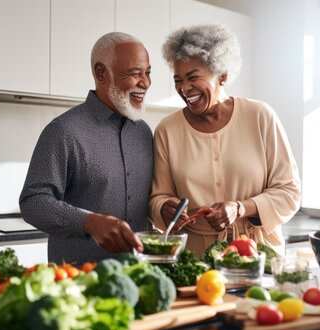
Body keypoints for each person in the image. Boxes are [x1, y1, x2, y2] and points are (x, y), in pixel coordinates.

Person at [149, 24, 301, 257]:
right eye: (178, 80)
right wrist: (164, 208)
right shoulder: (167, 130)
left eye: (193, 77)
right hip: (195, 259)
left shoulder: (260, 116)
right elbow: (157, 198)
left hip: (257, 254)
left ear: (223, 75)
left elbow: (290, 192)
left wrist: (241, 208)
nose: (184, 88)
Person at [20, 32, 153, 265]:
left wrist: (164, 209)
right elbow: (33, 202)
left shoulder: (143, 132)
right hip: (78, 282)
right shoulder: (63, 131)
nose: (145, 82)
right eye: (134, 73)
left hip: (139, 277)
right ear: (102, 73)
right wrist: (89, 222)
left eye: (148, 72)